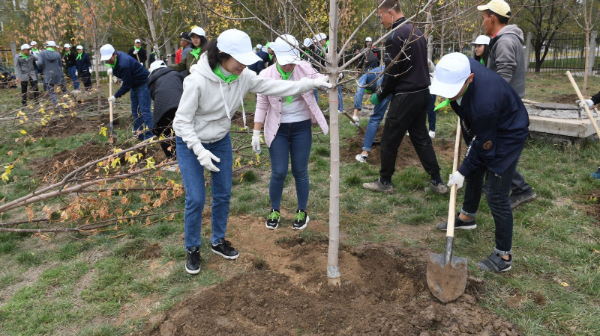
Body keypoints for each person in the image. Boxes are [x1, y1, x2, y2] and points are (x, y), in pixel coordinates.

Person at [172, 29, 332, 274]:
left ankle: (218, 240)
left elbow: (273, 86)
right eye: (241, 60)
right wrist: (199, 150)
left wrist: (310, 83)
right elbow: (181, 122)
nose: (245, 65)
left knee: (223, 193)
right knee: (196, 198)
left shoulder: (243, 76)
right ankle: (193, 248)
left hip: (220, 141)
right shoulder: (197, 81)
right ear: (223, 55)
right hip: (190, 142)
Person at [431, 52, 529, 272]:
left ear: (470, 79)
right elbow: (470, 125)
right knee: (474, 170)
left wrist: (462, 170)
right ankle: (467, 218)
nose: (449, 95)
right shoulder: (458, 65)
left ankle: (503, 257)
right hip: (488, 128)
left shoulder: (485, 103)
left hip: (508, 135)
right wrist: (469, 159)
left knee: (496, 194)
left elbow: (485, 143)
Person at [363, 0, 447, 194]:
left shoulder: (395, 36)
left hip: (406, 96)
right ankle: (437, 181)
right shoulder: (416, 32)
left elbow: (393, 72)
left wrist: (381, 94)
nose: (381, 20)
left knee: (389, 139)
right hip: (422, 93)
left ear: (391, 12)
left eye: (381, 15)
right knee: (420, 137)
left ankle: (384, 182)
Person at [252, 34, 329, 230]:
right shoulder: (266, 75)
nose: (289, 66)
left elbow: (320, 79)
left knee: (299, 171)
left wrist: (331, 78)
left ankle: (302, 211)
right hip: (277, 128)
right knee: (278, 172)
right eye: (285, 63)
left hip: (301, 127)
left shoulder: (304, 68)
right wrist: (256, 132)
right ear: (275, 55)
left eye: (292, 62)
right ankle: (275, 210)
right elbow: (261, 105)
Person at [479, 0, 536, 209]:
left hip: (504, 106)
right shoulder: (506, 39)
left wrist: (489, 104)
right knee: (491, 146)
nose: (483, 22)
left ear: (492, 17)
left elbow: (504, 76)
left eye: (484, 17)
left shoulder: (504, 41)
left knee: (495, 147)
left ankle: (522, 189)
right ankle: (492, 183)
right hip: (507, 103)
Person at [101, 44, 154, 140]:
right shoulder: (117, 59)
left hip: (143, 84)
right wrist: (114, 71)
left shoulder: (123, 64)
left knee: (144, 110)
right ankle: (138, 134)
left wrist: (115, 96)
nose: (107, 61)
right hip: (134, 84)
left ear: (115, 54)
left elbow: (126, 85)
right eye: (106, 59)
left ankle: (150, 136)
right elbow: (122, 72)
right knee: (135, 111)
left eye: (109, 59)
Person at [148, 60, 185, 168]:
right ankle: (189, 156)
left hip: (164, 109)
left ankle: (172, 160)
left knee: (162, 131)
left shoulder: (152, 81)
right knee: (184, 130)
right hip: (183, 105)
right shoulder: (177, 74)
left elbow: (154, 97)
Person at [353, 66, 393, 163]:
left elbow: (359, 91)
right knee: (393, 117)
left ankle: (364, 154)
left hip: (385, 84)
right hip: (399, 82)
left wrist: (355, 115)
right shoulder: (379, 69)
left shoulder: (365, 76)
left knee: (375, 119)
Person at [314, 32, 344, 113]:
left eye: (319, 41)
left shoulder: (330, 47)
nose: (318, 43)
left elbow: (333, 61)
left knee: (337, 91)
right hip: (329, 72)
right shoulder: (325, 47)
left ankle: (340, 108)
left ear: (323, 40)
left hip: (336, 72)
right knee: (331, 90)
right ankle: (332, 106)